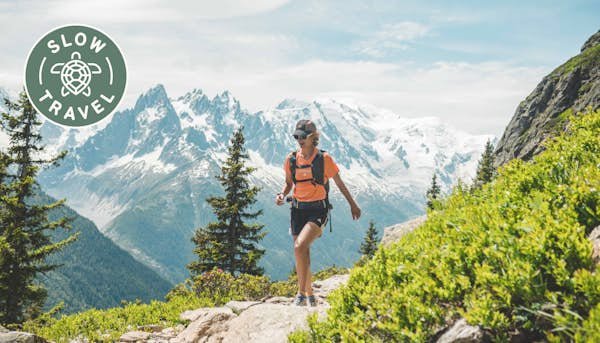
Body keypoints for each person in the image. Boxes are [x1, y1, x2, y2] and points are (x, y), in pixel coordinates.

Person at [275, 119, 361, 307]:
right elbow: (289, 183)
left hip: (318, 210)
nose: (299, 140)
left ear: (313, 137)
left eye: (303, 136)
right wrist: (282, 194)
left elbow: (339, 183)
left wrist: (353, 205)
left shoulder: (324, 159)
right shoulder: (291, 159)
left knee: (299, 247)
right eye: (296, 136)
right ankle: (311, 294)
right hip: (297, 210)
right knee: (302, 251)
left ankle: (300, 295)